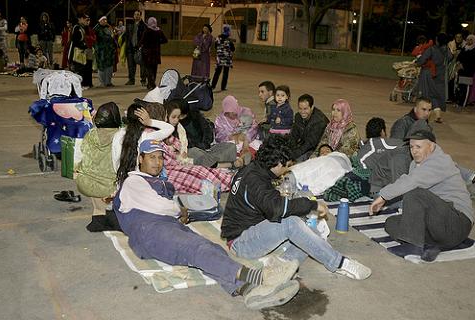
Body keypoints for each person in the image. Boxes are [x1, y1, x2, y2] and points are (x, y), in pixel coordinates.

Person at [113, 138, 300, 310]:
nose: (157, 162)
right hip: (149, 231)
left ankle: (249, 291)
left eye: (160, 157)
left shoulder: (154, 181)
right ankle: (261, 277)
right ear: (140, 158)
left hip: (166, 227)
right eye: (151, 157)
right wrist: (179, 210)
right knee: (196, 249)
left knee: (209, 250)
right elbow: (159, 205)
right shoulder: (133, 181)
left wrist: (178, 213)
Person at [221, 135, 371, 280]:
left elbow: (267, 204)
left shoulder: (254, 169)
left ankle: (282, 265)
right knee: (292, 223)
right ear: (278, 163)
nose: (286, 171)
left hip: (253, 230)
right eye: (286, 166)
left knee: (310, 232)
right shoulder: (256, 181)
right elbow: (277, 209)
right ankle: (339, 263)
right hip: (240, 242)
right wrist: (312, 204)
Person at [369, 129, 474, 262]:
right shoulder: (416, 164)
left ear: (431, 146)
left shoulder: (439, 161)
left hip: (457, 223)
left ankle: (413, 247)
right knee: (391, 223)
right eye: (412, 147)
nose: (414, 150)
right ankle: (431, 246)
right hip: (438, 226)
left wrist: (383, 196)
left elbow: (411, 182)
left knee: (415, 192)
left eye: (419, 146)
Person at [76, 102, 122, 215]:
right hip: (110, 188)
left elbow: (81, 156)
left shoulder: (90, 134)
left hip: (84, 184)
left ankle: (99, 207)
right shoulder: (121, 135)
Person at [415, 33, 452, 123]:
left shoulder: (432, 49)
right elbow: (450, 58)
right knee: (436, 95)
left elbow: (422, 60)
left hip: (429, 74)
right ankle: (438, 115)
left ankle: (424, 116)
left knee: (427, 95)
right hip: (441, 75)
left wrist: (418, 61)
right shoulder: (447, 50)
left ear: (437, 40)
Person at [289, 94, 329, 162]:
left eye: (305, 109)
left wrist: (294, 154)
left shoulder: (319, 121)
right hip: (304, 145)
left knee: (297, 161)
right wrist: (289, 149)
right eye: (300, 108)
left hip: (316, 149)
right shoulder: (298, 116)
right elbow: (293, 135)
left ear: (312, 107)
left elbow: (310, 143)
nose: (302, 112)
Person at [139, 17, 167, 90]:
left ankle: (151, 83)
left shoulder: (147, 30)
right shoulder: (159, 31)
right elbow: (165, 40)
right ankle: (151, 83)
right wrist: (158, 42)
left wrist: (140, 46)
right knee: (154, 69)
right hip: (156, 53)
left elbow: (142, 41)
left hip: (147, 53)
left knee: (148, 69)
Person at [124, 10, 146, 86]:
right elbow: (126, 36)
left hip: (139, 48)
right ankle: (131, 80)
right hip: (130, 48)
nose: (136, 16)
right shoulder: (130, 25)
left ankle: (143, 80)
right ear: (133, 15)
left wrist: (141, 46)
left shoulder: (143, 26)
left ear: (140, 16)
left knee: (142, 65)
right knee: (131, 65)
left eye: (138, 14)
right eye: (135, 14)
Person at [211, 25, 235, 91]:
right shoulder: (229, 40)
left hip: (219, 58)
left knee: (217, 72)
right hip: (227, 59)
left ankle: (213, 85)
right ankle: (223, 87)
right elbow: (233, 49)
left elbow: (215, 47)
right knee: (225, 73)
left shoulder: (218, 38)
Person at [94, 16, 116, 87]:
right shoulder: (97, 29)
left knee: (109, 66)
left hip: (109, 51)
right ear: (100, 21)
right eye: (103, 20)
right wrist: (110, 37)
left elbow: (112, 38)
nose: (105, 21)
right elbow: (102, 37)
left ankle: (108, 82)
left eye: (106, 20)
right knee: (101, 67)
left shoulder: (108, 28)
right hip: (101, 51)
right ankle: (102, 82)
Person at [455, 34, 475, 106]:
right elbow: (459, 57)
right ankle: (459, 101)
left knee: (466, 88)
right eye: (468, 39)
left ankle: (464, 103)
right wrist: (458, 63)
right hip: (462, 71)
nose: (469, 41)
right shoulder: (465, 48)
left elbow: (473, 61)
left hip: (468, 71)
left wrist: (464, 66)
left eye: (471, 39)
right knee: (461, 87)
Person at [69, 13, 89, 82]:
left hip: (81, 50)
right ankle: (76, 85)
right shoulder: (76, 27)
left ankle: (79, 84)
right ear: (79, 19)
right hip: (76, 51)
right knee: (77, 68)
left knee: (81, 68)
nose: (85, 20)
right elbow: (75, 40)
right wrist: (83, 45)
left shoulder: (82, 27)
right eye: (84, 19)